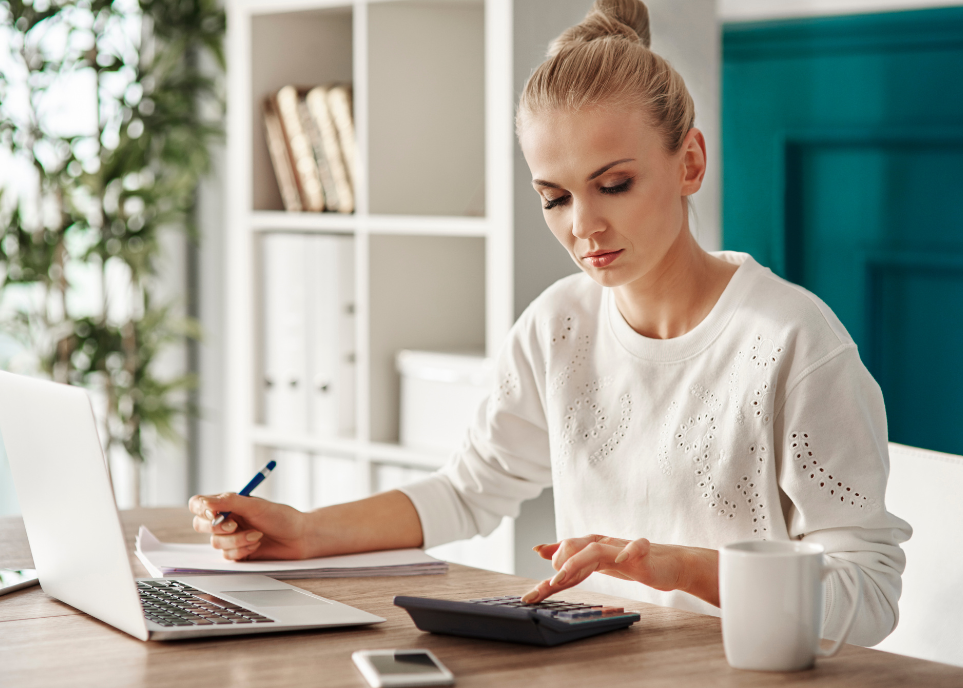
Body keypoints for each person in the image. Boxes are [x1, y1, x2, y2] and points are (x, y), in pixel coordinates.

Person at [189, 0, 911, 646]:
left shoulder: (792, 344)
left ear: (689, 161)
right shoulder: (558, 326)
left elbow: (869, 598)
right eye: (554, 197)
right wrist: (307, 531)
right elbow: (470, 488)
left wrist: (675, 567)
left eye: (615, 184)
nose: (584, 226)